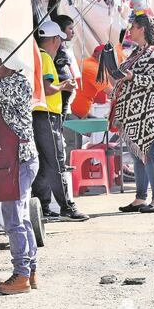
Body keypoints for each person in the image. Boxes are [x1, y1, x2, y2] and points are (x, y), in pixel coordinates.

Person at [0, 37, 41, 295]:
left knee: (14, 217)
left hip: (19, 160)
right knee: (19, 217)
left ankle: (22, 273)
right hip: (10, 161)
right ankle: (30, 269)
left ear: (10, 63)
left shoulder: (17, 84)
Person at [113, 14, 154, 214]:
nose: (130, 31)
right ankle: (140, 198)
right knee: (138, 156)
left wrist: (131, 76)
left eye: (133, 27)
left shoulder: (153, 53)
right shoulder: (137, 52)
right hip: (133, 113)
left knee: (150, 155)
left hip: (145, 112)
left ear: (142, 29)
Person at [32, 20, 88, 221]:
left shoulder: (37, 55)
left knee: (44, 162)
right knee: (56, 160)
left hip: (40, 113)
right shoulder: (46, 58)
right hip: (47, 113)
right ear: (55, 40)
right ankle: (66, 206)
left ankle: (43, 204)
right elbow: (47, 88)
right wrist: (64, 86)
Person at [52, 15, 80, 117]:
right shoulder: (54, 47)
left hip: (64, 95)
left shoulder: (63, 46)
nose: (73, 32)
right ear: (61, 29)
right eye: (70, 28)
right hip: (57, 96)